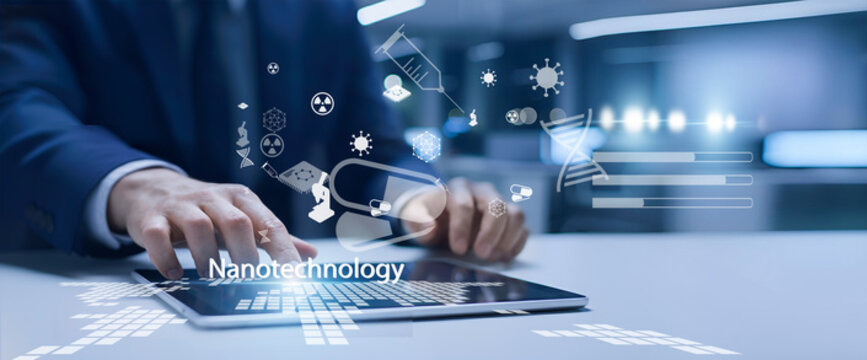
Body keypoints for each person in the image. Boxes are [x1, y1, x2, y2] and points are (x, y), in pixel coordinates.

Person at [0, 0, 528, 280]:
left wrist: (422, 201)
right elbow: (19, 107)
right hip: (92, 286)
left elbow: (370, 148)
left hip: (268, 292)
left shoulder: (323, 10)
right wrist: (134, 185)